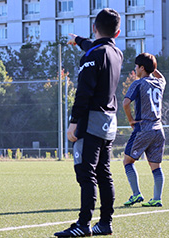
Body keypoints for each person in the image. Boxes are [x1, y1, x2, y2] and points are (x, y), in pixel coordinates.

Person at [54, 8, 123, 237]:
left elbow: (83, 92)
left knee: (86, 172)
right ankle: (105, 223)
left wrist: (74, 122)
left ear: (95, 27)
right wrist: (78, 41)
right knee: (104, 172)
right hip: (109, 121)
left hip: (91, 120)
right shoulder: (116, 53)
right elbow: (96, 47)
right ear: (118, 32)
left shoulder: (93, 56)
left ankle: (83, 224)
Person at [122, 53, 166, 207]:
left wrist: (130, 120)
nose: (135, 69)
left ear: (141, 68)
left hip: (143, 129)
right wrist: (152, 67)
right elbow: (161, 77)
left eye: (136, 66)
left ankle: (136, 194)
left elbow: (125, 103)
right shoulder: (160, 83)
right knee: (156, 166)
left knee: (128, 161)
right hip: (159, 130)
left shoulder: (138, 83)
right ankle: (157, 198)